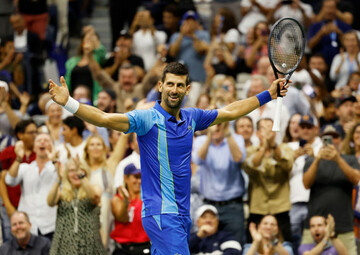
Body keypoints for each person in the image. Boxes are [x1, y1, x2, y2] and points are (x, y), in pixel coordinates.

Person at [48, 62, 289, 254]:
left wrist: (268, 94)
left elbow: (230, 111)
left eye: (180, 85)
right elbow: (105, 118)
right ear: (161, 86)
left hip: (182, 214)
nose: (174, 90)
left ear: (187, 89)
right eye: (170, 84)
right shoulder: (146, 119)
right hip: (160, 213)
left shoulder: (192, 117)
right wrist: (69, 103)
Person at [302, 125, 360, 254]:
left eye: (335, 137)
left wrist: (338, 159)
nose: (332, 140)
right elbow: (306, 183)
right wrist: (317, 159)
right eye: (328, 137)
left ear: (341, 139)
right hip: (314, 226)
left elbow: (356, 179)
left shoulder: (350, 160)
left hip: (343, 225)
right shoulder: (312, 161)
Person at [192, 121, 247, 244]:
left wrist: (227, 132)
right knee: (207, 245)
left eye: (220, 124)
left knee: (235, 245)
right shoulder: (202, 140)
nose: (217, 127)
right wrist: (209, 136)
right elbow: (198, 159)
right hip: (209, 207)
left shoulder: (236, 139)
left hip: (233, 206)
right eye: (214, 123)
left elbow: (238, 158)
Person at [243, 118, 293, 242]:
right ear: (257, 133)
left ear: (275, 132)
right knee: (254, 245)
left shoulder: (285, 148)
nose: (268, 132)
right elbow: (252, 165)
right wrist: (263, 147)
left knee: (285, 244)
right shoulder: (250, 151)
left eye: (271, 128)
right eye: (264, 129)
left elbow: (288, 165)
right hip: (258, 207)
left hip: (281, 206)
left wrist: (273, 146)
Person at [47, 158, 106, 255]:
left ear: (85, 172)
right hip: (64, 245)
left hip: (90, 244)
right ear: (66, 174)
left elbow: (94, 197)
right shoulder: (62, 193)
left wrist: (81, 176)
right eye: (71, 170)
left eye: (79, 170)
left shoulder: (94, 188)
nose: (76, 174)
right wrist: (59, 179)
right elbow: (50, 202)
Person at [5, 134, 58, 241]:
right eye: (39, 140)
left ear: (52, 147)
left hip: (51, 225)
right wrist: (18, 158)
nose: (42, 142)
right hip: (28, 227)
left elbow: (64, 180)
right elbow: (9, 180)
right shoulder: (25, 167)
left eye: (46, 140)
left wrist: (55, 161)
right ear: (34, 148)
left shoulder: (57, 168)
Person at [0, 120, 37, 242]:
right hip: (11, 206)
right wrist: (8, 206)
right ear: (20, 135)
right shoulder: (8, 153)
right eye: (31, 132)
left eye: (36, 132)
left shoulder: (40, 153)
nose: (35, 135)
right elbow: (2, 180)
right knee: (10, 243)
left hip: (32, 206)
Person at [110, 163, 151, 255]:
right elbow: (122, 218)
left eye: (141, 177)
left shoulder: (148, 198)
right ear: (126, 178)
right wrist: (126, 201)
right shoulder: (118, 199)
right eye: (136, 177)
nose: (139, 181)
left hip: (145, 247)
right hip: (124, 249)